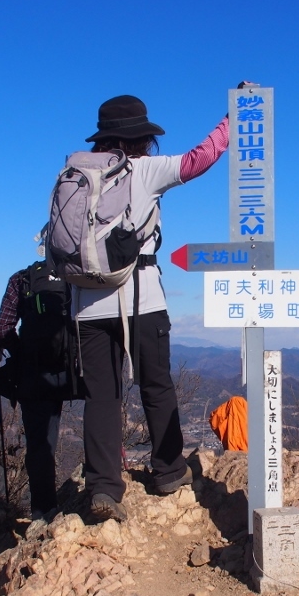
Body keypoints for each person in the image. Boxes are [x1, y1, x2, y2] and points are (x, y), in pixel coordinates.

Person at [71, 93, 232, 522]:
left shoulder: (76, 175)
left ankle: (104, 488)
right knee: (156, 386)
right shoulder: (143, 169)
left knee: (101, 396)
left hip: (86, 304)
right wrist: (234, 120)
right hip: (140, 298)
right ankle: (168, 471)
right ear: (143, 137)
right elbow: (201, 158)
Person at [0, 261, 78, 521]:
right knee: (99, 423)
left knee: (40, 445)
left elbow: (3, 328)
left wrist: (21, 353)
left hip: (33, 373)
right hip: (74, 371)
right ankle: (100, 493)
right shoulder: (78, 278)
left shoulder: (22, 278)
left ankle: (43, 512)